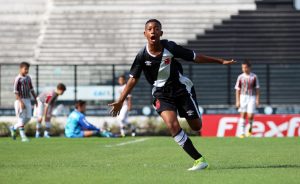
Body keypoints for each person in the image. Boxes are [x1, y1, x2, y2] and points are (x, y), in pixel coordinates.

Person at [108, 19, 236, 171]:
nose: (153, 31)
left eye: (156, 29)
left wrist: (220, 61)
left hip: (181, 89)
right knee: (172, 125)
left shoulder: (170, 47)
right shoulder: (142, 56)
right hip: (161, 94)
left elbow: (195, 57)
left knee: (196, 126)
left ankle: (192, 105)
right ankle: (199, 160)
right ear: (145, 34)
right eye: (149, 29)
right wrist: (120, 101)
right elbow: (132, 79)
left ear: (161, 33)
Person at [10, 62, 38, 142]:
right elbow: (15, 92)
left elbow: (31, 89)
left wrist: (35, 99)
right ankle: (23, 137)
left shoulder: (28, 78)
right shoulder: (18, 79)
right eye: (25, 69)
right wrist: (21, 102)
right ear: (21, 68)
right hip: (20, 100)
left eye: (28, 69)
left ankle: (14, 128)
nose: (27, 70)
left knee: (28, 118)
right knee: (21, 118)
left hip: (28, 99)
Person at [235, 60, 260, 138]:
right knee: (243, 114)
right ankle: (242, 133)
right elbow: (237, 89)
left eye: (245, 67)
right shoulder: (240, 77)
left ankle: (250, 128)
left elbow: (257, 89)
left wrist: (257, 99)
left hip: (252, 97)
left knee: (250, 115)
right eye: (242, 67)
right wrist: (237, 101)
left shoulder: (254, 77)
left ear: (249, 67)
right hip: (243, 97)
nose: (244, 69)